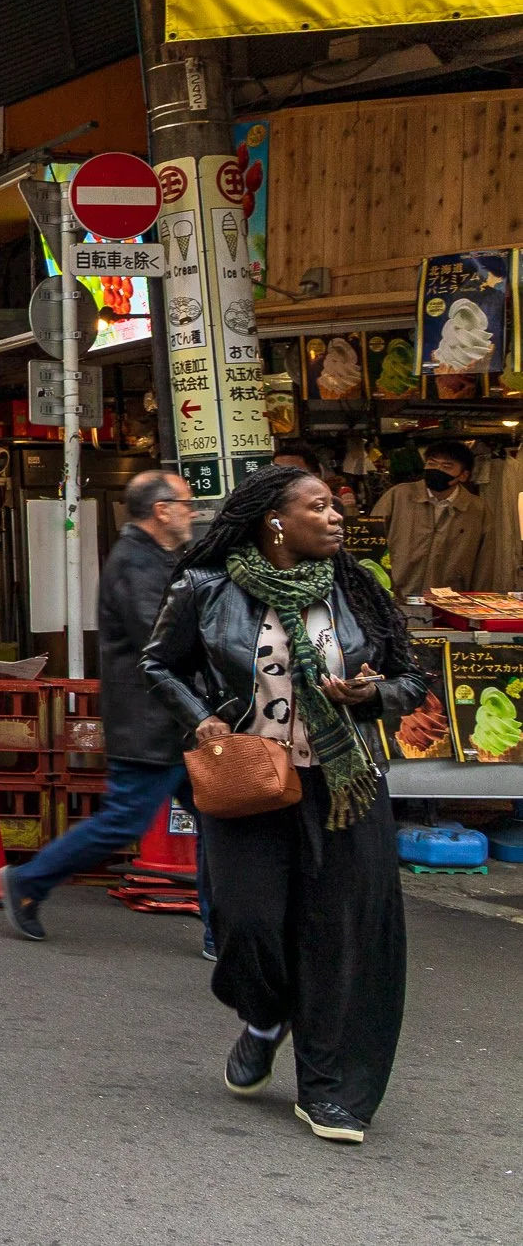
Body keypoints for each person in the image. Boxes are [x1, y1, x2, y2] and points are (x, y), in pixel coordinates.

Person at [140, 464, 427, 1145]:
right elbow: (158, 664)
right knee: (248, 923)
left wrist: (373, 696)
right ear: (276, 519)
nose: (335, 518)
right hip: (250, 779)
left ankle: (328, 1091)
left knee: (338, 938)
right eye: (318, 506)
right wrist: (201, 718)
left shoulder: (356, 588)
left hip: (344, 785)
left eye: (335, 507)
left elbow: (412, 677)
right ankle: (265, 1017)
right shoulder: (205, 587)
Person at [0, 471, 205, 947]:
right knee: (123, 821)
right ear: (161, 510)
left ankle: (227, 928)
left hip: (173, 722)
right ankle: (29, 880)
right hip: (151, 722)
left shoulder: (154, 558)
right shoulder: (137, 564)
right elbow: (163, 641)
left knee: (221, 823)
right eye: (186, 504)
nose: (192, 513)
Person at [371, 439, 492, 594]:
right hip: (397, 595)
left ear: (463, 475)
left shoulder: (477, 509)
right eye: (432, 463)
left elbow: (485, 562)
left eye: (447, 466)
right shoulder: (399, 495)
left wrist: (478, 600)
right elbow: (371, 544)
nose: (437, 469)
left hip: (450, 601)